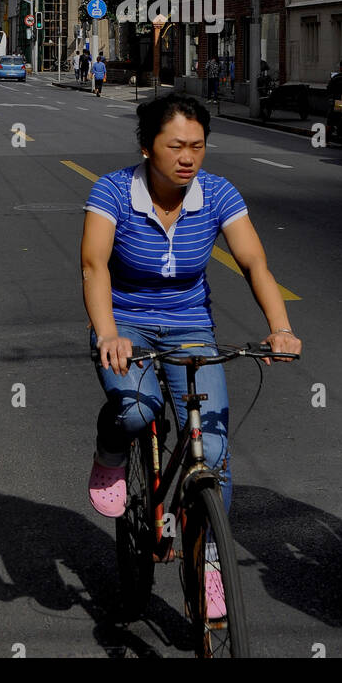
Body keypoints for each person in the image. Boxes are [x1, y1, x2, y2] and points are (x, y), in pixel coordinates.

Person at [81, 92, 302, 611]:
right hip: (125, 323)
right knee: (137, 413)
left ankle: (208, 563)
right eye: (175, 145)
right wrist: (109, 332)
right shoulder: (112, 191)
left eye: (197, 146)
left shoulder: (219, 194)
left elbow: (254, 263)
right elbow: (94, 266)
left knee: (215, 452)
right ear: (146, 147)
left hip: (189, 327)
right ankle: (110, 451)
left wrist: (281, 327)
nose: (187, 157)